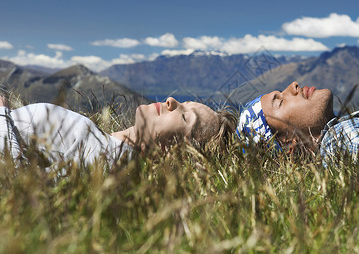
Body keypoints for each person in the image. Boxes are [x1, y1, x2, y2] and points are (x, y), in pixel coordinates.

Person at [0, 95, 236, 168]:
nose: (171, 100)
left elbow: (26, 187)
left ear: (173, 153)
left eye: (185, 116)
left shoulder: (114, 159)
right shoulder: (106, 143)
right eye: (182, 102)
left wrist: (2, 116)